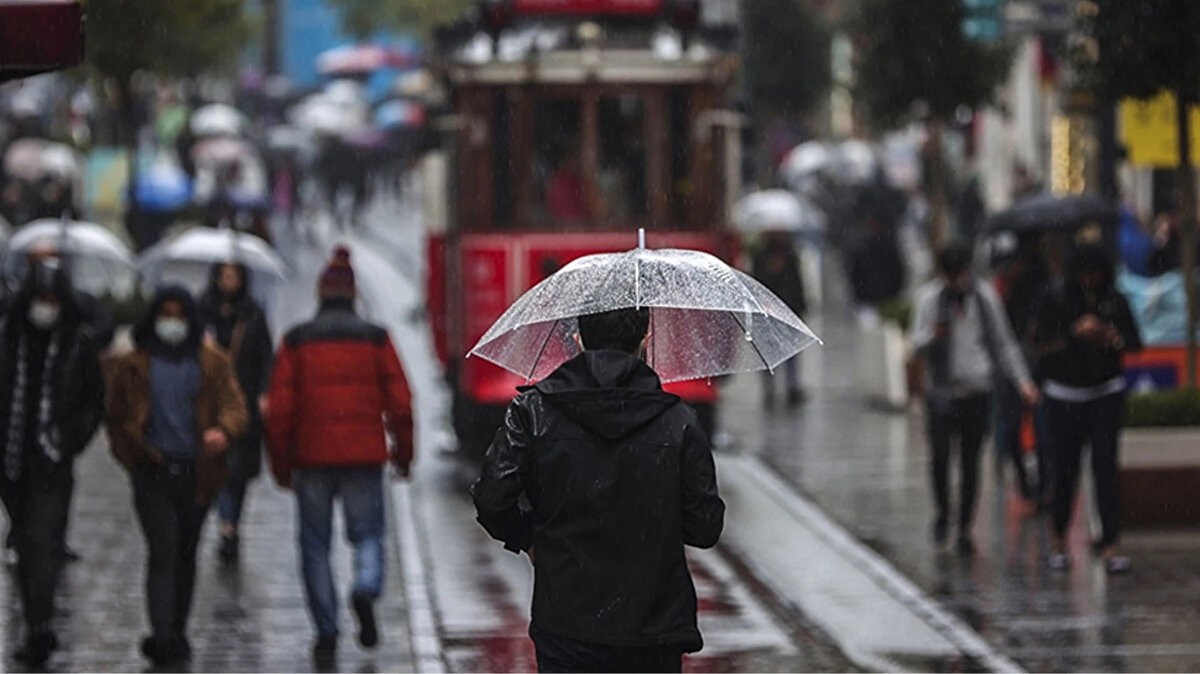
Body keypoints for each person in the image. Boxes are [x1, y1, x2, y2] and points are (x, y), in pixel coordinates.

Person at [472, 306, 726, 673]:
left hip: (566, 624)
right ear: (644, 343)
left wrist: (529, 538)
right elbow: (705, 528)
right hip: (652, 629)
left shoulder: (533, 412)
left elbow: (491, 498)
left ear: (577, 343)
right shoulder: (678, 422)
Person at [265, 247, 413, 664]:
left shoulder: (296, 341)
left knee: (315, 546)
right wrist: (404, 454)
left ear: (320, 294)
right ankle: (365, 587)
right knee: (368, 534)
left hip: (311, 460)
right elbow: (401, 403)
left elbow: (279, 412)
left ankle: (326, 631)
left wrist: (281, 465)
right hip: (364, 456)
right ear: (352, 295)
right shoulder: (376, 337)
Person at [106, 285, 248, 666]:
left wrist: (224, 431)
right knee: (163, 549)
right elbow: (116, 415)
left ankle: (177, 630)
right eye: (165, 314)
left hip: (196, 473)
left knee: (185, 553)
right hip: (152, 472)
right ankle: (163, 634)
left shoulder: (211, 362)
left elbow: (235, 405)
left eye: (178, 315)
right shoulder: (135, 363)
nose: (172, 323)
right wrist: (131, 454)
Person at [0, 259, 104, 667]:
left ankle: (40, 626)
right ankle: (34, 618)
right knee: (26, 544)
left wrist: (71, 438)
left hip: (53, 462)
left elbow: (94, 401)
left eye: (51, 299)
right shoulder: (9, 340)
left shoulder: (76, 345)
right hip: (11, 461)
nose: (45, 307)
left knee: (44, 543)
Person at [911, 243, 1039, 555]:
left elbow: (1003, 342)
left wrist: (1023, 381)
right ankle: (943, 512)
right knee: (940, 458)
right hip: (941, 392)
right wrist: (933, 335)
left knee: (971, 462)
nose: (956, 281)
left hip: (977, 392)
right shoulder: (930, 298)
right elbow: (916, 342)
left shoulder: (984, 298)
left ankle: (965, 526)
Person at [1, 239, 114, 565]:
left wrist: (73, 435)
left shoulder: (76, 315)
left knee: (51, 504)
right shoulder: (14, 315)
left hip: (54, 440)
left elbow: (94, 391)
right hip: (15, 442)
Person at [1031, 244, 1142, 574]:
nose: (1090, 280)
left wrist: (1112, 338)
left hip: (1106, 392)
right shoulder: (1056, 298)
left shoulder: (1115, 300)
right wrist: (1073, 334)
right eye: (1084, 274)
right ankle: (1058, 541)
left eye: (1095, 274)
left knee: (1105, 469)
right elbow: (1038, 343)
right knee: (1064, 471)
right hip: (1064, 395)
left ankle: (1110, 543)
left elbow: (1135, 343)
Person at [198, 263, 274, 565]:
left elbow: (266, 355)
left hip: (243, 401)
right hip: (210, 402)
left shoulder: (252, 313)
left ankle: (231, 523)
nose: (228, 282)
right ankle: (226, 525)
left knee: (237, 471)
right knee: (218, 466)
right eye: (224, 276)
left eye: (234, 277)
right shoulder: (202, 310)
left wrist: (264, 393)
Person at [993, 236, 1050, 504]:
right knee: (1014, 426)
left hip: (1035, 363)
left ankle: (1039, 484)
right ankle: (1027, 482)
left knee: (1038, 427)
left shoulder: (1044, 281)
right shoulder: (1007, 282)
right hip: (1013, 365)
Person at [752, 232, 807, 406]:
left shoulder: (790, 254)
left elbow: (796, 282)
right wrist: (771, 270)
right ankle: (769, 389)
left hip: (788, 309)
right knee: (768, 352)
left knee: (791, 352)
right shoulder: (761, 256)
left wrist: (800, 306)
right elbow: (757, 283)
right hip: (767, 311)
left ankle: (792, 387)